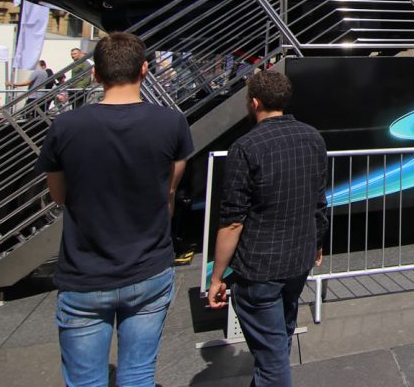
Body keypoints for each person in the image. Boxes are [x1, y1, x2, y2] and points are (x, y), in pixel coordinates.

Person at [35, 32, 192, 386]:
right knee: (138, 374)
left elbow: (59, 197)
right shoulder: (172, 123)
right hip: (149, 265)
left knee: (86, 379)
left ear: (95, 74)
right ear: (145, 70)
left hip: (85, 270)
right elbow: (169, 188)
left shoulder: (65, 126)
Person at [207, 70, 328, 387]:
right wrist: (317, 241)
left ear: (255, 102)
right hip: (298, 259)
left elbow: (233, 221)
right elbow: (318, 200)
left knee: (273, 359)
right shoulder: (313, 137)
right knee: (279, 337)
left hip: (260, 266)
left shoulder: (245, 147)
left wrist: (217, 275)